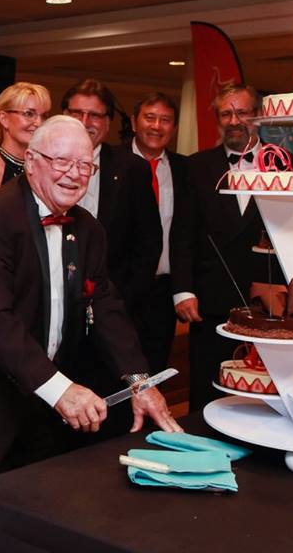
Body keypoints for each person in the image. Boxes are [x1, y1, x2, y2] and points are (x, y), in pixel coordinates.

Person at [0, 115, 182, 552]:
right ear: (32, 161)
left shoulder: (88, 229)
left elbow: (107, 307)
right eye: (62, 162)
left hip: (35, 410)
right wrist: (63, 391)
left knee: (26, 530)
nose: (74, 174)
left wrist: (138, 381)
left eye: (85, 165)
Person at [60, 78, 162, 439]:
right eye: (78, 112)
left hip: (114, 313)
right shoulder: (48, 166)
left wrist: (123, 301)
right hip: (57, 318)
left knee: (110, 417)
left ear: (107, 122)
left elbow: (148, 243)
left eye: (95, 114)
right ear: (64, 115)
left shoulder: (130, 168)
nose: (86, 121)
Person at [173, 83, 280, 411]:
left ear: (258, 116)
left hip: (270, 300)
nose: (234, 120)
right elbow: (182, 232)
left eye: (242, 112)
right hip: (211, 297)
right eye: (226, 114)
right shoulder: (196, 166)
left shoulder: (287, 164)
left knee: (264, 388)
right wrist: (182, 290)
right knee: (210, 387)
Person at [129, 91, 190, 374]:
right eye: (149, 118)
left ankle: (151, 420)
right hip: (120, 288)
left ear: (174, 128)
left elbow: (189, 233)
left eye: (165, 120)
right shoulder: (111, 163)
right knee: (115, 369)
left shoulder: (185, 169)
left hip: (162, 292)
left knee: (155, 368)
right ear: (134, 122)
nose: (156, 126)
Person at [0, 82, 52, 189]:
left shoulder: (47, 168)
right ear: (4, 119)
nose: (39, 123)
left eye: (44, 116)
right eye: (29, 114)